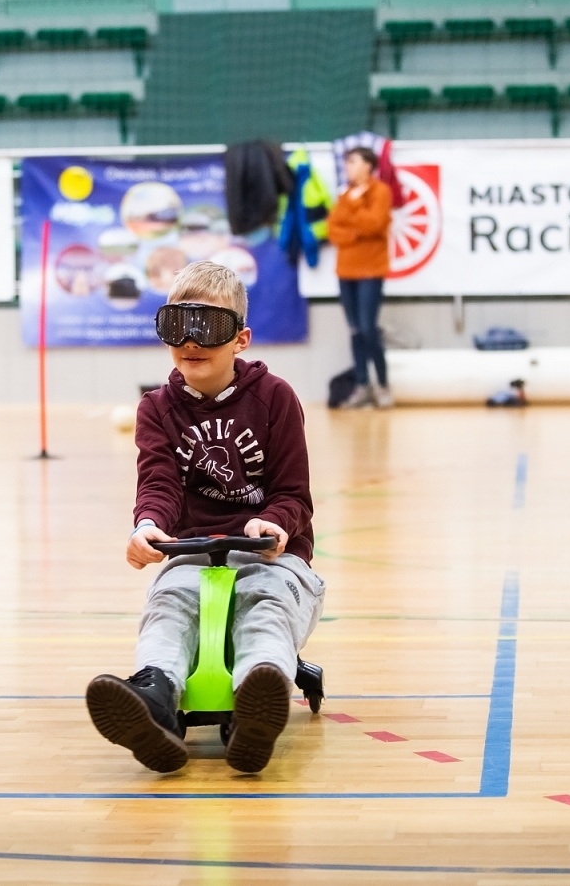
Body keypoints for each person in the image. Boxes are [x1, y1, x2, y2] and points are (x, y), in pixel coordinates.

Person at [86, 261, 324, 775]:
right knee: (170, 602)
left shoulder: (275, 398)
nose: (191, 342)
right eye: (178, 326)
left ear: (240, 339)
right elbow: (159, 484)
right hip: (192, 549)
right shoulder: (156, 408)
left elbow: (294, 494)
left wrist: (276, 523)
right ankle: (154, 695)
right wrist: (147, 525)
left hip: (273, 554)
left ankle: (259, 699)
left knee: (267, 609)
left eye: (208, 328)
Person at [326, 145, 394, 410]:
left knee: (368, 329)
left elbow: (375, 224)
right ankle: (362, 386)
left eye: (353, 161)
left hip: (371, 271)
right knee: (354, 331)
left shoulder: (381, 192)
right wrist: (355, 231)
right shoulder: (343, 194)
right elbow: (334, 230)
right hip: (346, 272)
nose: (348, 167)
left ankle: (384, 384)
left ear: (368, 165)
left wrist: (354, 211)